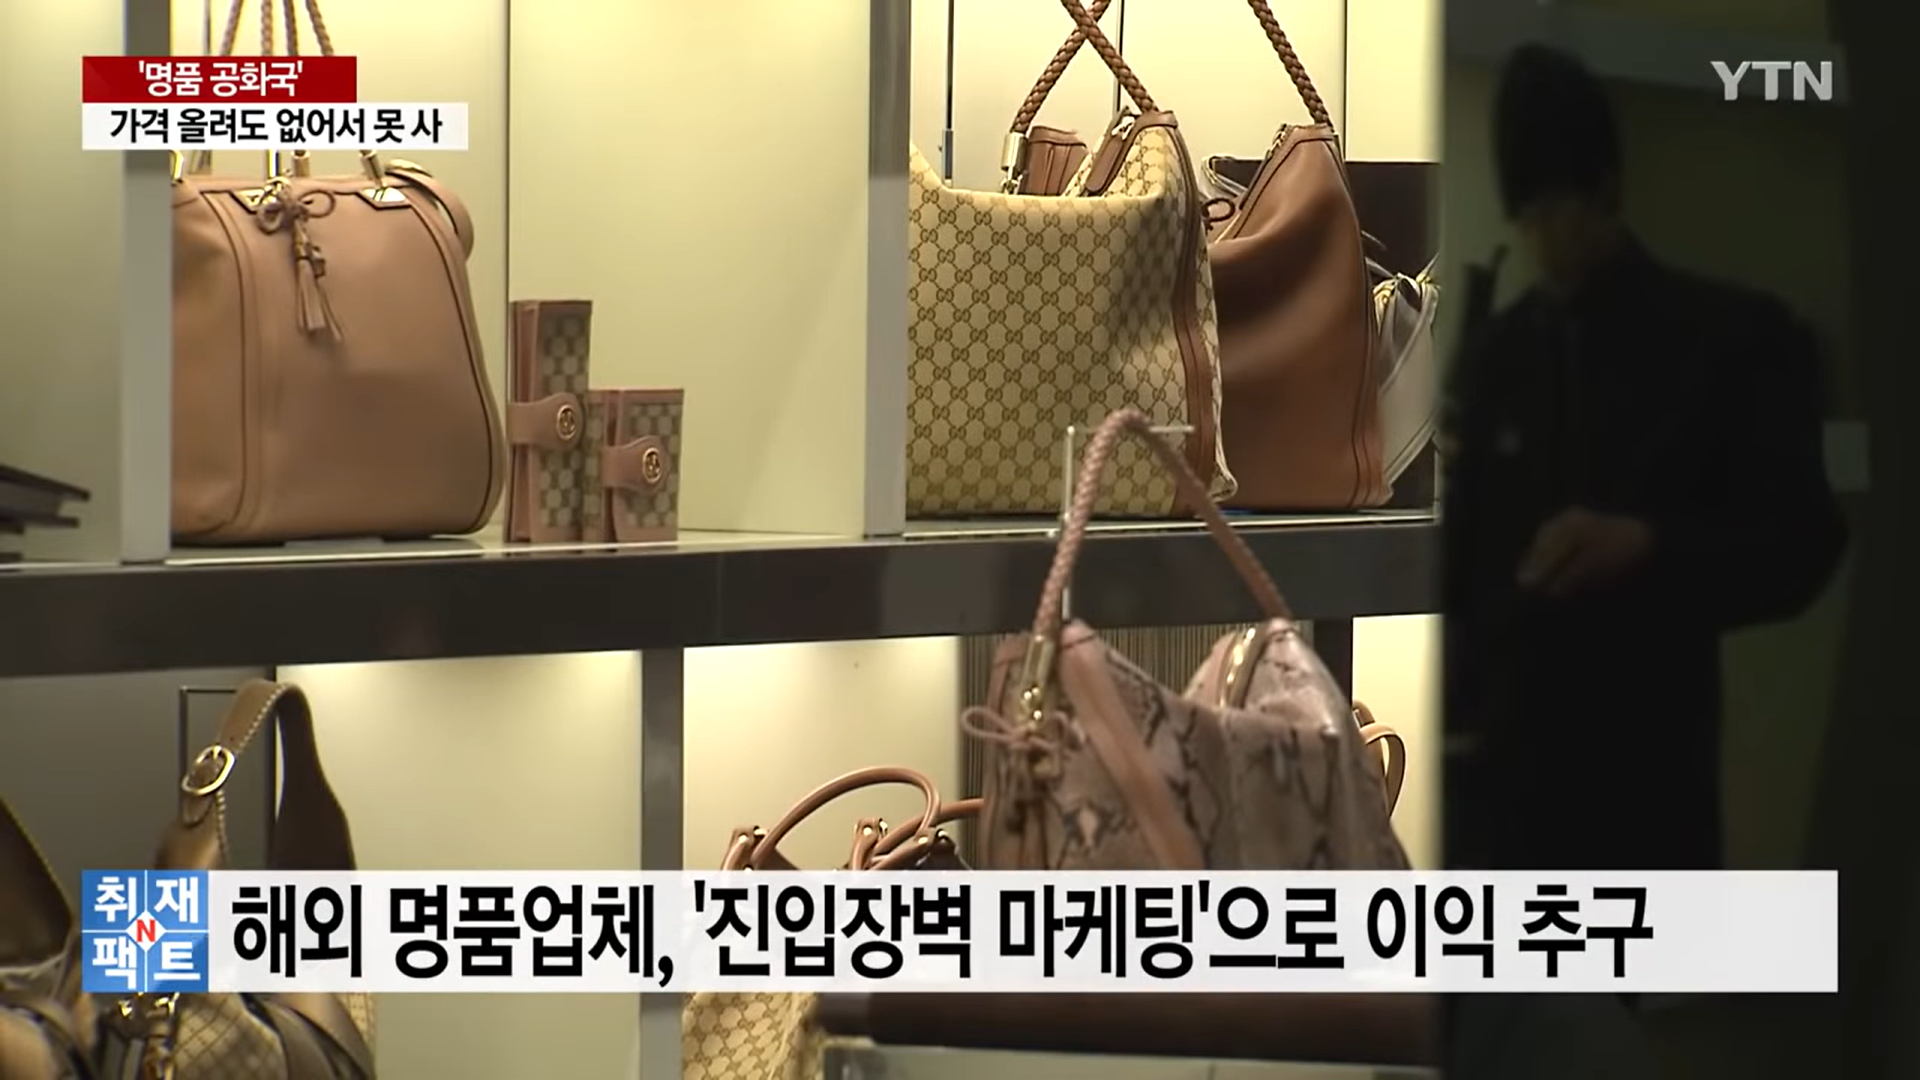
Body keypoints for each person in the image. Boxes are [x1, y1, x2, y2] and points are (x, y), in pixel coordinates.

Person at [1441, 45, 1847, 872]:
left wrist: (1650, 547)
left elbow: (1803, 543)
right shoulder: (1494, 359)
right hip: (1499, 795)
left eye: (1561, 208)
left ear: (1607, 187)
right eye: (1528, 215)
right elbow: (1455, 564)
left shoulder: (1726, 343)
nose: (1545, 239)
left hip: (1647, 789)